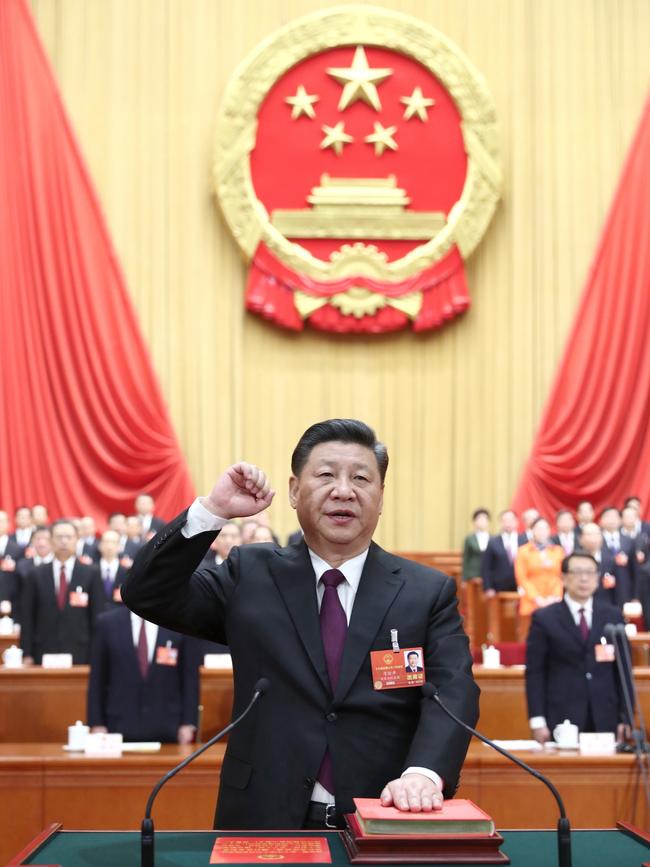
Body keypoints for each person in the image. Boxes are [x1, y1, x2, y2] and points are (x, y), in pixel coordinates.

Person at [122, 418, 479, 830]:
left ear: (381, 497)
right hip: (263, 817)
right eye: (326, 475)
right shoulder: (249, 573)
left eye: (361, 478)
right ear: (294, 491)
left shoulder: (425, 591)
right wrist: (212, 512)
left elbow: (453, 690)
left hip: (383, 815)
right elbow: (146, 593)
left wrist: (424, 773)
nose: (343, 490)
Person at [526, 552, 630, 743]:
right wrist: (537, 720)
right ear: (564, 578)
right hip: (561, 716)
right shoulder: (544, 618)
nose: (584, 578)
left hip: (606, 715)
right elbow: (535, 672)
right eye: (577, 572)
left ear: (597, 579)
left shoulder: (613, 616)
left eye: (590, 573)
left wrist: (626, 716)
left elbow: (623, 670)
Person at [87, 606, 200, 743]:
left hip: (168, 728)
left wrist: (188, 723)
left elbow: (190, 678)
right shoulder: (107, 623)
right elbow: (97, 680)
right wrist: (96, 723)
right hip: (117, 729)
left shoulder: (178, 622)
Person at [20, 519, 105, 664]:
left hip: (81, 652)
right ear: (51, 540)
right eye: (59, 537)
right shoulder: (35, 574)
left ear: (77, 540)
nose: (64, 541)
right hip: (43, 651)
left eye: (69, 537)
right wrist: (27, 653)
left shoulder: (91, 573)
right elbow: (27, 617)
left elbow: (97, 616)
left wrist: (97, 653)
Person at [514, 517, 564, 625]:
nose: (542, 532)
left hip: (554, 599)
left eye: (545, 528)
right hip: (531, 600)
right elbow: (522, 578)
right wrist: (537, 599)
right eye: (538, 528)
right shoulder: (523, 551)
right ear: (532, 531)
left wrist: (554, 597)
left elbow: (562, 576)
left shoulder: (558, 551)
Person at [599, 507, 636, 603]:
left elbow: (635, 570)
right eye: (608, 516)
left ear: (620, 520)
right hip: (602, 591)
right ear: (601, 521)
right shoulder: (595, 541)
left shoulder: (629, 541)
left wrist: (636, 595)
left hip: (625, 590)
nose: (611, 520)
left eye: (614, 517)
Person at [481, 509, 520, 596]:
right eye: (505, 521)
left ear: (516, 522)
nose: (508, 523)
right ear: (501, 523)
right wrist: (488, 587)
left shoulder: (524, 541)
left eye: (511, 520)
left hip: (521, 587)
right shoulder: (493, 542)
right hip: (498, 588)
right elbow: (486, 567)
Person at [96, 530, 129, 605]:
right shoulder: (91, 571)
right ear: (100, 545)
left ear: (120, 546)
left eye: (114, 542)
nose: (109, 546)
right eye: (106, 542)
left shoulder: (127, 573)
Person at [461, 508, 491, 582]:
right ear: (474, 521)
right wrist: (464, 578)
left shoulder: (493, 539)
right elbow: (466, 559)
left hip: (489, 574)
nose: (482, 521)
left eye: (485, 519)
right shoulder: (469, 539)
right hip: (473, 575)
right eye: (480, 519)